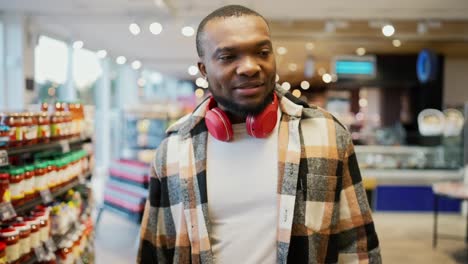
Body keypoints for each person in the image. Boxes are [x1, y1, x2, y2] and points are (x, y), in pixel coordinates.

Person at [138, 4, 381, 264]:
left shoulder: (327, 134)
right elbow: (157, 250)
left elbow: (358, 248)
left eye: (262, 52)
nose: (250, 67)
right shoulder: (174, 148)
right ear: (204, 70)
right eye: (228, 57)